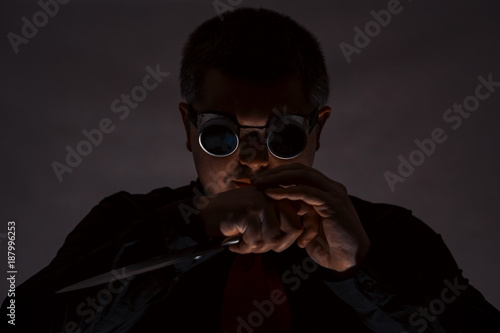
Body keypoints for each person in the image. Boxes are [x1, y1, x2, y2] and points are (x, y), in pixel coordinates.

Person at [2, 7, 500, 333]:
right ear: (187, 124)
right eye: (220, 134)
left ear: (318, 130)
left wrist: (362, 270)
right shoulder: (123, 223)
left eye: (284, 136)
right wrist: (186, 233)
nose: (255, 160)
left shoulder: (390, 236)